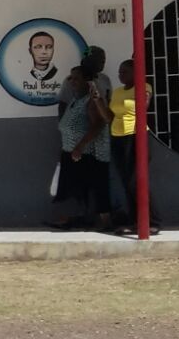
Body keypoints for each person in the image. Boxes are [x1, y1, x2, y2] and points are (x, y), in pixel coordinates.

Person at [52, 64, 113, 230]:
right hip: (73, 152)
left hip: (90, 153)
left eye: (76, 78)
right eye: (71, 78)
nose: (72, 81)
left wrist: (80, 146)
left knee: (97, 186)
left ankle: (104, 221)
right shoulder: (75, 99)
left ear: (87, 81)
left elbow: (99, 124)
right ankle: (83, 218)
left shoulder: (91, 101)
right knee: (78, 188)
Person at [109, 59, 160, 235]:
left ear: (135, 72)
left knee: (136, 181)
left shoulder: (144, 87)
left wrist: (143, 94)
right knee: (126, 182)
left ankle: (152, 221)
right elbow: (110, 114)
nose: (120, 75)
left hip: (136, 135)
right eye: (119, 72)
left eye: (125, 72)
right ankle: (134, 221)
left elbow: (143, 107)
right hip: (118, 137)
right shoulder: (117, 92)